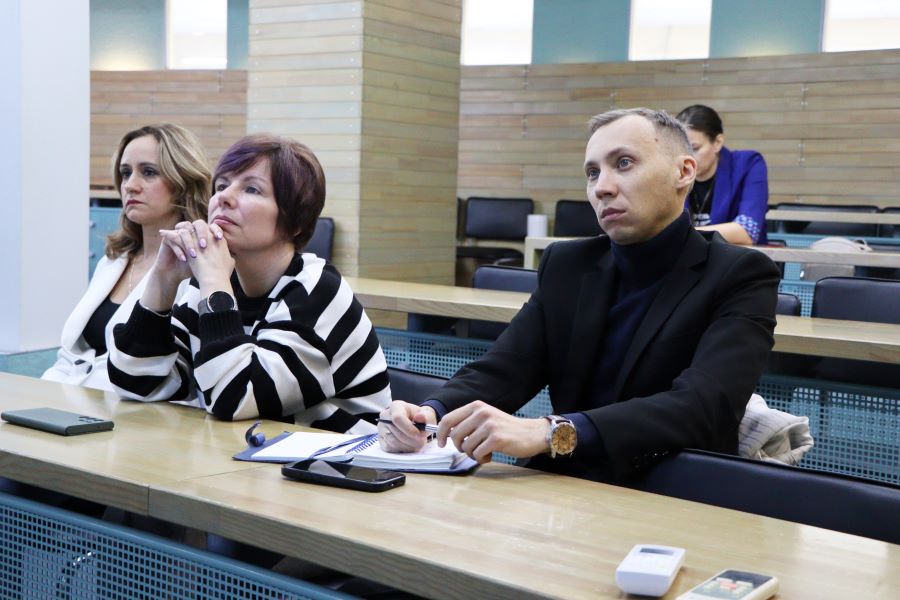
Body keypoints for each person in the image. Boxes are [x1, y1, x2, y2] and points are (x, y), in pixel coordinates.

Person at [379, 108, 780, 481]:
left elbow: (703, 407)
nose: (602, 187)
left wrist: (553, 431)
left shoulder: (740, 274)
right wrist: (431, 412)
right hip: (563, 483)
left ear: (684, 172)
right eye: (592, 172)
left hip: (676, 488)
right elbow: (508, 366)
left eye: (624, 163)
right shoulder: (568, 264)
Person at [107, 134, 391, 432]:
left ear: (296, 221)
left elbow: (235, 399)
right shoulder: (205, 285)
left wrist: (214, 282)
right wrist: (162, 282)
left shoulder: (318, 292)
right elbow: (136, 384)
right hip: (248, 454)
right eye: (221, 186)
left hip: (343, 457)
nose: (224, 198)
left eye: (252, 189)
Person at [42, 124, 210, 391]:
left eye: (149, 172)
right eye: (125, 173)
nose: (130, 185)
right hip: (70, 397)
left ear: (183, 183)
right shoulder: (113, 261)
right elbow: (72, 356)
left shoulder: (197, 268)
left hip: (141, 407)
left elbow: (182, 374)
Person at [676, 104, 769, 245]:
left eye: (694, 148)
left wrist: (685, 234)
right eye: (681, 150)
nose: (687, 158)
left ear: (717, 143)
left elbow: (748, 231)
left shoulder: (748, 164)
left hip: (739, 256)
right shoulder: (674, 170)